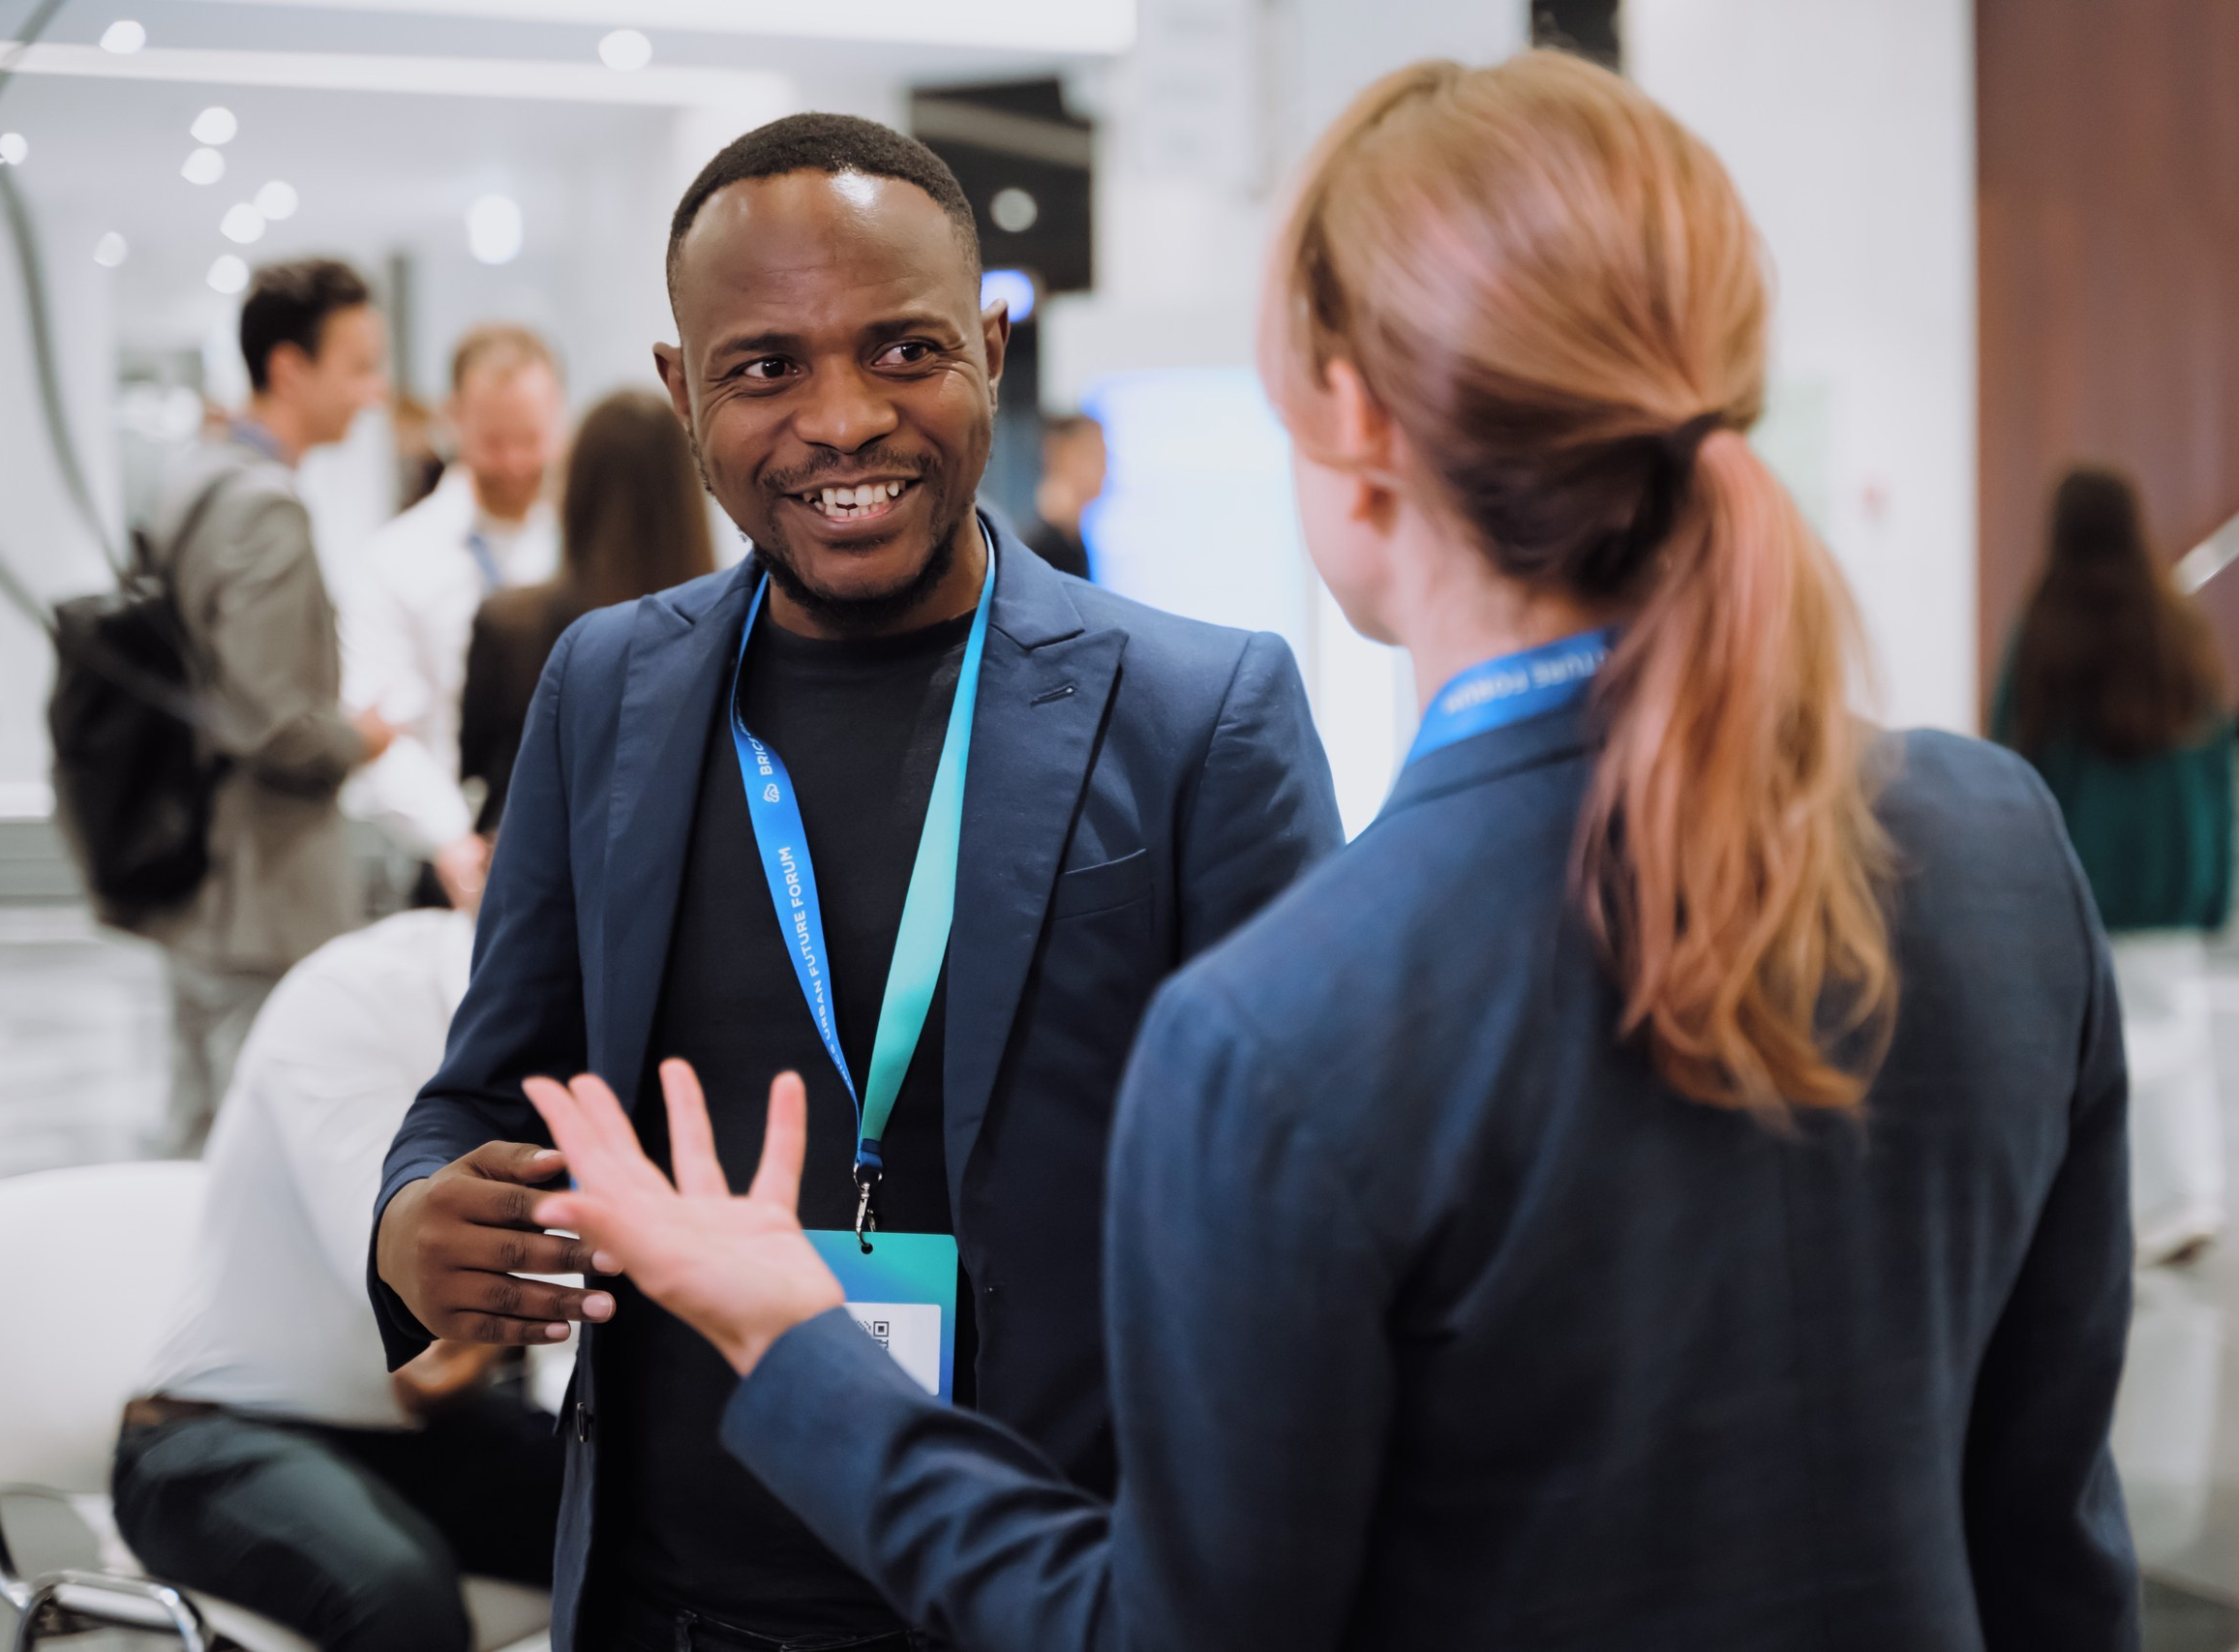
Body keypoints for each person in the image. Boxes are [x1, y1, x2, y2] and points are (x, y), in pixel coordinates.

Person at [523, 53, 2141, 1652]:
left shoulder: (1291, 1025)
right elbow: (2051, 1538)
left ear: (1351, 420)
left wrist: (794, 1342)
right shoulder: (1999, 850)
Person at [368, 112, 1343, 1652]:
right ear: (685, 391)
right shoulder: (604, 692)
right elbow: (490, 1090)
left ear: (992, 347)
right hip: (675, 1602)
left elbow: (1322, 1210)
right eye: (765, 368)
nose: (842, 420)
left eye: (903, 351)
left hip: (1049, 1596)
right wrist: (415, 1217)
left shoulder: (1197, 715)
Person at [115, 905, 565, 1652]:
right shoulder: (358, 994)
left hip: (411, 1434)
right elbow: (422, 1348)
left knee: (663, 1518)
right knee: (396, 1595)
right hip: (210, 1433)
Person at [142, 258, 393, 1156]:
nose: (375, 391)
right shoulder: (263, 508)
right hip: (259, 892)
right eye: (359, 366)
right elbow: (273, 725)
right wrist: (360, 736)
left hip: (210, 874)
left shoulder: (199, 478)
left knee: (206, 1128)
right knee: (245, 1155)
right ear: (290, 368)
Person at [1994, 466, 2235, 1267]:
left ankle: (2105, 1211)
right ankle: (2191, 1194)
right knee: (2180, 1039)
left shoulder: (2045, 631)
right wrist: (2215, 882)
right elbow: (2216, 769)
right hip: (2169, 878)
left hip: (2077, 880)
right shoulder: (2180, 629)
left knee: (2084, 1053)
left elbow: (2010, 764)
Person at [340, 324, 567, 910]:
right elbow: (378, 725)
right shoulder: (394, 561)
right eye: (493, 441)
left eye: (531, 438)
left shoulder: (586, 549)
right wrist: (452, 841)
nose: (515, 462)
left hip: (585, 848)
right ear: (454, 418)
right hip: (453, 857)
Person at [460, 388, 716, 833]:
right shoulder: (729, 634)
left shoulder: (509, 625)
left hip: (540, 870)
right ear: (686, 495)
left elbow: (473, 766)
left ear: (576, 487)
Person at [1020, 412, 1104, 581]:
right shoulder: (1041, 551)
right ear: (1061, 455)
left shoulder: (1073, 542)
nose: (1104, 469)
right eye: (1095, 456)